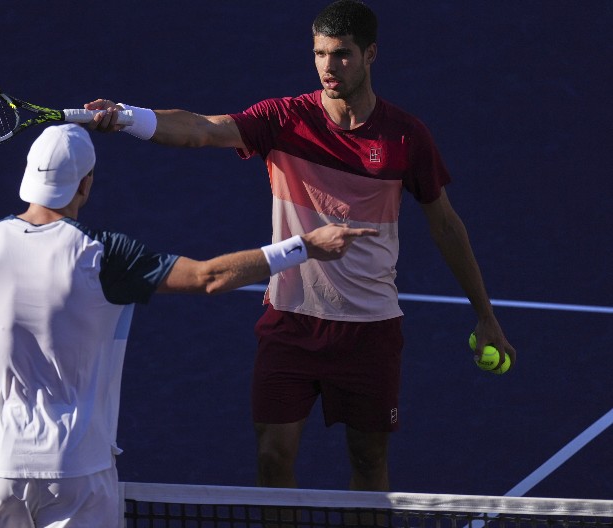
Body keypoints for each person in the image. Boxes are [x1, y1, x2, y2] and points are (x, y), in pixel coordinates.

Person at [84, 0, 516, 492]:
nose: (329, 67)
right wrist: (127, 118)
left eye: (343, 54)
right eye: (320, 53)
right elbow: (202, 130)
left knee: (369, 461)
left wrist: (485, 314)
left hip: (369, 331)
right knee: (272, 457)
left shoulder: (405, 137)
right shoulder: (283, 119)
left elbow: (446, 226)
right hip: (290, 322)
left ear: (371, 54)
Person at [0, 123, 377, 527]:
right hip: (76, 473)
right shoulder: (103, 254)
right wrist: (304, 245)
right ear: (85, 185)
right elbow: (208, 277)